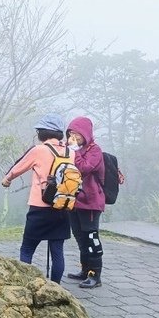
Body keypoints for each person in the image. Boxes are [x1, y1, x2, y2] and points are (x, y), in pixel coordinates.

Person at [1, 114, 72, 284]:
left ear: (42, 132)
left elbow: (19, 167)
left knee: (27, 248)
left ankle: (25, 284)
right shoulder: (70, 152)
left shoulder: (39, 150)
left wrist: (7, 179)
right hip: (62, 206)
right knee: (57, 251)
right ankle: (55, 287)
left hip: (40, 207)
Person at [66, 116, 105, 289]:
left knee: (91, 237)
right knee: (80, 237)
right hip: (74, 200)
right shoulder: (74, 149)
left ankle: (95, 275)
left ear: (86, 134)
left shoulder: (95, 150)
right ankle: (85, 270)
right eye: (71, 134)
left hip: (90, 201)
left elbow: (84, 168)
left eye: (77, 134)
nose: (73, 137)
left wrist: (73, 151)